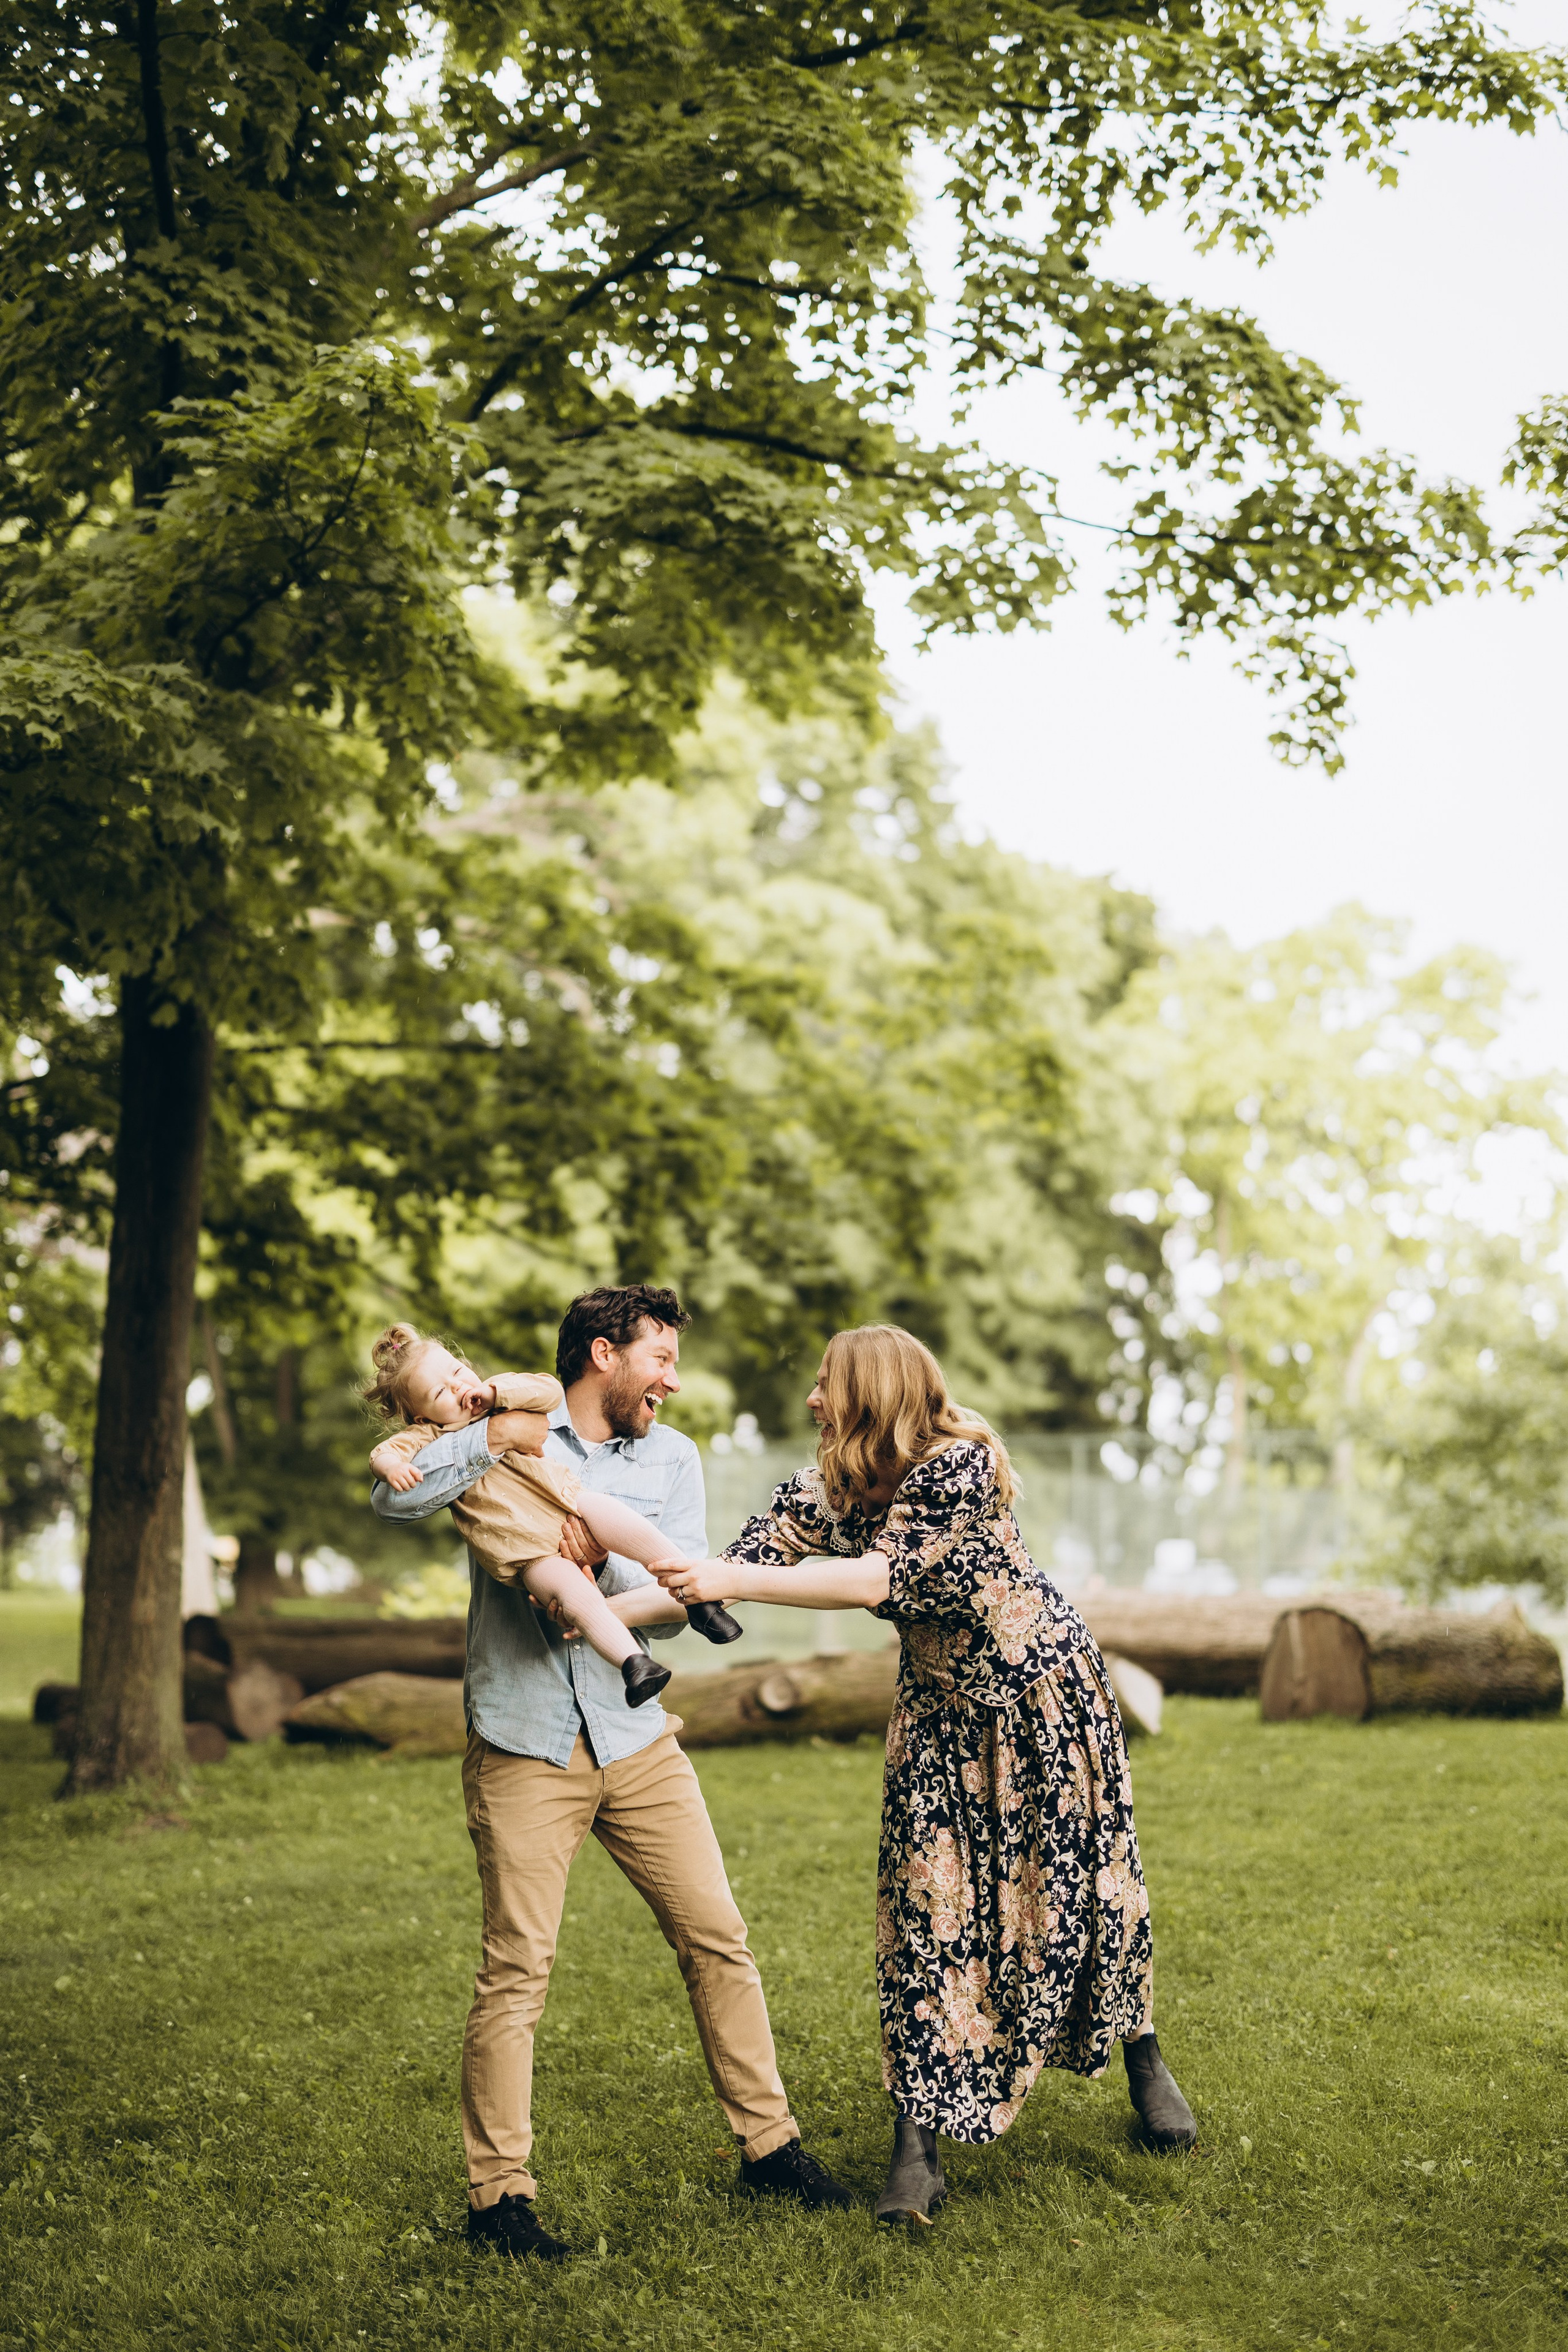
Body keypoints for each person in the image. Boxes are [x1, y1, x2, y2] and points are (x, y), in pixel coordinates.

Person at [654, 1323, 1197, 2228]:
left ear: (870, 1390)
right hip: (939, 1719)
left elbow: (879, 1578)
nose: (813, 1399)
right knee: (924, 1914)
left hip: (1041, 1702)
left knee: (1092, 1893)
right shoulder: (836, 1480)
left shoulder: (962, 1466)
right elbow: (749, 1556)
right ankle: (919, 2149)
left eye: (827, 1382)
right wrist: (648, 1594)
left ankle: (1141, 2055)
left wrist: (726, 1582)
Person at [371, 1283, 851, 2258]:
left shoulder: (673, 1459)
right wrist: (485, 1437)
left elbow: (678, 1598)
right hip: (525, 1744)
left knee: (719, 1937)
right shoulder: (502, 1425)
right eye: (659, 1359)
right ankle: (498, 2200)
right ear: (604, 1355)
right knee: (517, 1973)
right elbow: (397, 1499)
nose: (670, 1381)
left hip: (639, 1743)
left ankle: (771, 2149)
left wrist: (592, 1578)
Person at [364, 1325, 741, 1707]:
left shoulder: (503, 1396)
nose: (459, 1389)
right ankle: (635, 1665)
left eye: (458, 1373)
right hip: (528, 1553)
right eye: (440, 1392)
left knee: (617, 1518)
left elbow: (547, 1390)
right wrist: (396, 1466)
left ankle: (699, 1601)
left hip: (568, 1498)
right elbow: (386, 1469)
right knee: (574, 1596)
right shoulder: (430, 1438)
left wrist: (496, 1396)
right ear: (419, 1414)